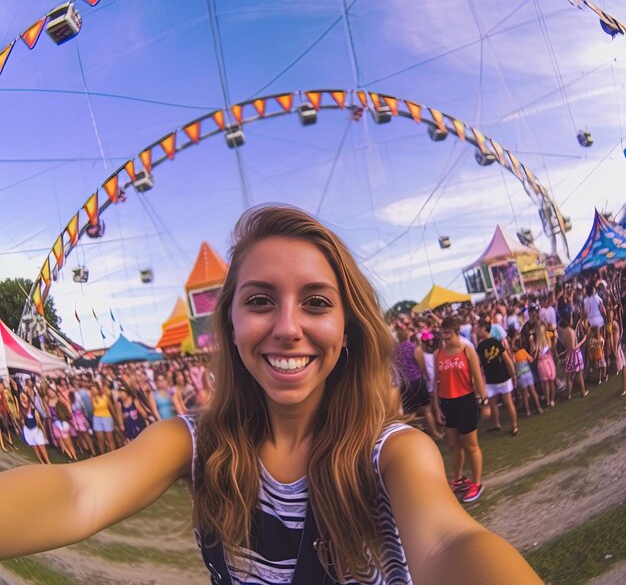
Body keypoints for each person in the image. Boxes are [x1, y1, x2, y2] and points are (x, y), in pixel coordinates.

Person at [0, 206, 541, 584]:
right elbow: (78, 492)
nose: (287, 326)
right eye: (260, 301)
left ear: (348, 327)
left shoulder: (392, 452)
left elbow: (448, 544)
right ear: (230, 324)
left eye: (316, 303)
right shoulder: (193, 442)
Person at [433, 316, 490, 503]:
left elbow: (477, 378)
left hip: (465, 401)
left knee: (470, 445)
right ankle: (457, 479)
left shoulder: (468, 350)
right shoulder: (438, 353)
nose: (444, 338)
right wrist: (437, 407)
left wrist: (485, 403)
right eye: (442, 334)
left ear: (456, 332)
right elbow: (436, 382)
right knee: (453, 445)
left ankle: (477, 483)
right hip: (447, 403)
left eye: (447, 334)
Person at [392, 328, 444, 439]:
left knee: (411, 414)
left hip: (405, 384)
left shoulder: (393, 351)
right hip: (417, 381)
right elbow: (421, 365)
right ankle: (435, 433)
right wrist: (423, 375)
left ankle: (417, 438)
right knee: (427, 410)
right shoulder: (414, 347)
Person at [475, 319, 518, 436]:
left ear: (484, 328)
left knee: (497, 403)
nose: (477, 331)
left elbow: (478, 365)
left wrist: (513, 375)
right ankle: (509, 425)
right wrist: (513, 375)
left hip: (493, 379)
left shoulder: (480, 346)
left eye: (478, 328)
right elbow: (507, 360)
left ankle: (503, 424)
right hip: (502, 377)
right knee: (506, 402)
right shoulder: (495, 342)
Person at [557, 318, 588, 400]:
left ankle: (569, 395)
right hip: (575, 355)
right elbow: (573, 347)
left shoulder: (564, 333)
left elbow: (568, 347)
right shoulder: (571, 331)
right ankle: (583, 392)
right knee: (579, 375)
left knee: (568, 376)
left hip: (570, 355)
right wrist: (584, 340)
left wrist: (565, 353)